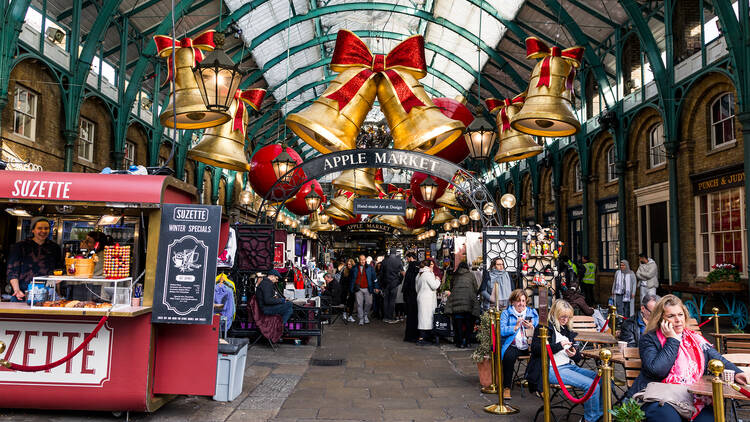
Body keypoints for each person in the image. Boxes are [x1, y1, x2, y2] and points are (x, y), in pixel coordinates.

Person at [627, 295, 748, 421]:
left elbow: (718, 359)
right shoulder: (650, 339)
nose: (678, 320)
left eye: (680, 314)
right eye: (671, 316)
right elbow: (657, 370)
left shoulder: (696, 339)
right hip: (661, 397)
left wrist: (737, 373)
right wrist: (672, 339)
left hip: (693, 397)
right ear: (660, 319)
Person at [527, 300, 603, 422]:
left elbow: (577, 358)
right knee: (592, 386)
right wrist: (559, 345)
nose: (565, 320)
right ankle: (590, 419)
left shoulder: (566, 328)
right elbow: (536, 350)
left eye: (568, 317)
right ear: (554, 313)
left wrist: (574, 354)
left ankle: (599, 414)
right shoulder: (544, 327)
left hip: (569, 366)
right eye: (562, 316)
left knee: (603, 380)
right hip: (551, 369)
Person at [7, 217, 63, 302]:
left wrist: (58, 293)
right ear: (32, 230)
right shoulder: (20, 246)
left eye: (46, 228)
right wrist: (16, 290)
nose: (43, 231)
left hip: (48, 295)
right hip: (22, 294)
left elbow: (58, 272)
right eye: (40, 228)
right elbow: (12, 271)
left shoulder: (55, 248)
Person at [499, 289, 538, 399]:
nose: (521, 303)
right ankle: (507, 387)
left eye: (523, 301)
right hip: (513, 345)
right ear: (512, 302)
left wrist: (532, 327)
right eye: (518, 301)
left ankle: (537, 387)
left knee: (541, 355)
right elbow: (501, 331)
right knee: (508, 357)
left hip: (530, 345)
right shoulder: (506, 313)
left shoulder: (532, 313)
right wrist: (515, 327)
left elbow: (540, 327)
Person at [443, 261, 479, 348]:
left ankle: (459, 342)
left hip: (456, 302)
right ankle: (467, 341)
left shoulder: (455, 275)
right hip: (469, 302)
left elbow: (451, 287)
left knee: (458, 323)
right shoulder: (471, 275)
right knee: (469, 323)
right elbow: (476, 287)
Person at [416, 259, 441, 345]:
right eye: (430, 264)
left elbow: (417, 288)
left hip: (421, 298)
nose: (432, 266)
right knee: (427, 319)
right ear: (427, 266)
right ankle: (422, 339)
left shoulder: (419, 274)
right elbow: (434, 286)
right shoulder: (428, 274)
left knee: (423, 318)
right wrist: (438, 279)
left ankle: (422, 337)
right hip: (427, 300)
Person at [350, 254, 380, 325]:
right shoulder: (354, 268)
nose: (362, 261)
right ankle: (361, 318)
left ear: (365, 260)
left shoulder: (370, 268)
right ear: (359, 260)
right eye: (361, 260)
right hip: (358, 289)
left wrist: (376, 287)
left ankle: (365, 315)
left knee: (369, 303)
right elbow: (351, 279)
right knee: (359, 304)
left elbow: (374, 278)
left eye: (364, 260)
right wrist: (351, 289)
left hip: (368, 288)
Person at [382, 248, 404, 323]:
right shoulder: (398, 261)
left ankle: (385, 317)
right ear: (395, 253)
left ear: (389, 253)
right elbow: (402, 273)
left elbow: (381, 274)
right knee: (392, 301)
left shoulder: (384, 261)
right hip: (394, 283)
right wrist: (399, 281)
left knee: (385, 301)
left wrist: (382, 283)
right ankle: (390, 317)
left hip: (386, 283)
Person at [402, 252, 420, 342]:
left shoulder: (411, 267)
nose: (407, 260)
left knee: (410, 316)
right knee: (416, 315)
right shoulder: (419, 267)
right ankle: (417, 334)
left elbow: (407, 283)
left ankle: (410, 336)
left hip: (410, 295)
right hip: (417, 295)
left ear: (410, 258)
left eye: (407, 258)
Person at [340, 258, 356, 323]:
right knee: (344, 302)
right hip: (345, 289)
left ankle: (350, 316)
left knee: (351, 303)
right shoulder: (344, 271)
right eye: (348, 264)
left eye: (350, 264)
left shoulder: (355, 271)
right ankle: (344, 314)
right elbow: (341, 281)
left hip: (352, 290)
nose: (349, 265)